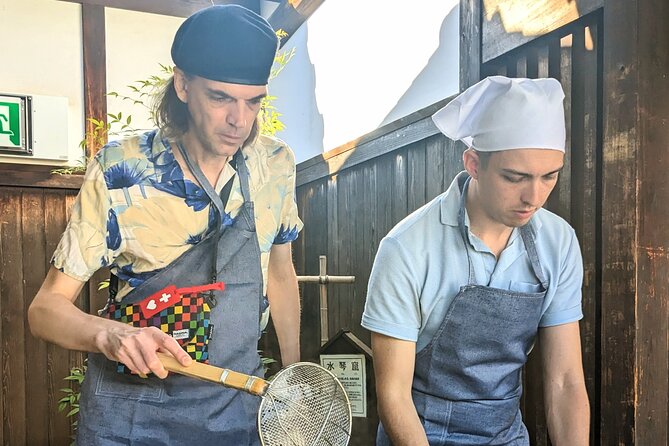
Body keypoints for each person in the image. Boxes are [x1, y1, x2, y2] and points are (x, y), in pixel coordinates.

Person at [28, 5, 302, 444]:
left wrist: (291, 380)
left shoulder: (275, 164)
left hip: (234, 411)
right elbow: (44, 311)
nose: (240, 121)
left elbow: (279, 274)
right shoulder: (121, 168)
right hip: (130, 416)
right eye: (221, 98)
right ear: (182, 84)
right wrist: (111, 334)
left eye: (254, 102)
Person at [361, 76, 590, 445]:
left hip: (505, 433)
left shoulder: (558, 242)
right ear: (473, 163)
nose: (534, 197)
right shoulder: (406, 248)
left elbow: (565, 381)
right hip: (421, 432)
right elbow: (393, 395)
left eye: (549, 177)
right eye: (515, 177)